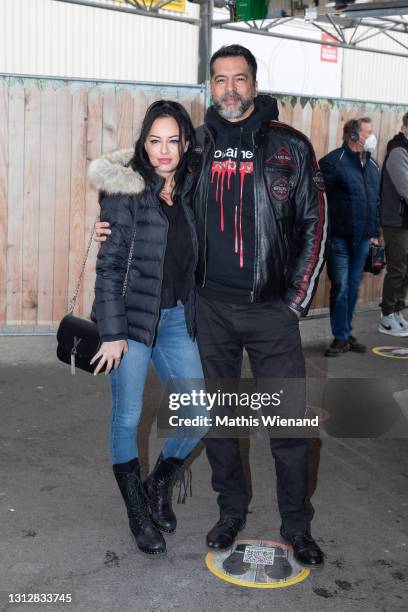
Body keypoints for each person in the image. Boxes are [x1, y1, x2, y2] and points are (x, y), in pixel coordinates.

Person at [94, 45, 327, 569]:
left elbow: (316, 222)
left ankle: (296, 523)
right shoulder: (196, 147)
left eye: (239, 79)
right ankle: (230, 512)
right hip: (209, 310)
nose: (229, 89)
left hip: (272, 311)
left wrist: (295, 300)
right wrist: (106, 217)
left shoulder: (291, 146)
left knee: (288, 424)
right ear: (210, 87)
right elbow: (141, 174)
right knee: (219, 418)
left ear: (254, 83)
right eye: (220, 80)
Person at [88, 100, 208, 556]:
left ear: (185, 145)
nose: (164, 151)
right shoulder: (126, 192)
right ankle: (136, 510)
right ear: (143, 143)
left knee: (198, 415)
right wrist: (113, 332)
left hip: (177, 318)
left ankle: (157, 484)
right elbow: (110, 264)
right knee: (127, 415)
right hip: (132, 323)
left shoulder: (192, 188)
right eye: (154, 141)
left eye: (172, 141)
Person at [320, 117, 381, 357]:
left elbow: (375, 202)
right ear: (354, 136)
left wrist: (375, 233)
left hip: (364, 241)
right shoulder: (333, 162)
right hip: (339, 240)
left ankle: (345, 333)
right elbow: (318, 202)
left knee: (353, 288)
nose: (372, 136)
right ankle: (341, 336)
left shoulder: (373, 166)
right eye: (368, 132)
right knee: (341, 287)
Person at [378, 112, 408, 336]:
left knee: (405, 270)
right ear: (405, 127)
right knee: (397, 269)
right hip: (396, 221)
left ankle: (398, 311)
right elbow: (405, 188)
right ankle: (387, 316)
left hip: (405, 221)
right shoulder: (398, 150)